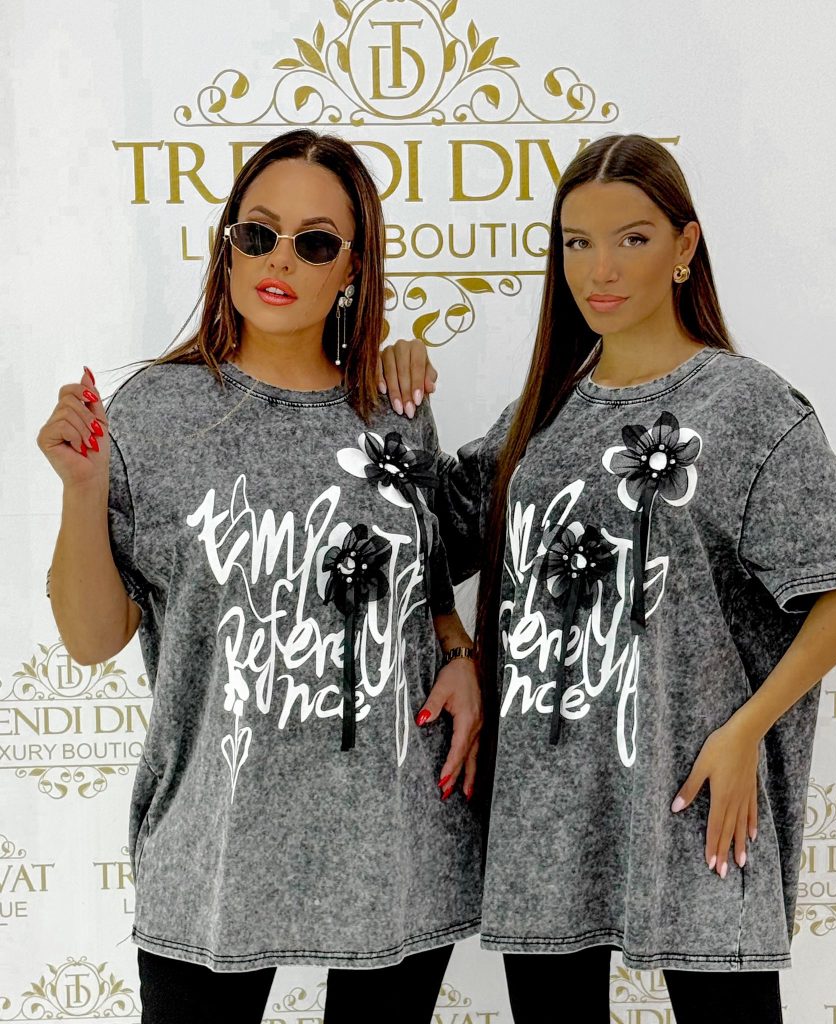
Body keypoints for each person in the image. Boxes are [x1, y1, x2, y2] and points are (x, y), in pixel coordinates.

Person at [379, 133, 836, 1023]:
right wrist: (395, 387)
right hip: (545, 807)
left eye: (633, 238)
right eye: (577, 242)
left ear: (685, 246)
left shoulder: (743, 404)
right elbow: (419, 538)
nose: (601, 269)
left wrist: (746, 730)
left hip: (694, 786)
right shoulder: (540, 413)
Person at [36, 129, 484, 1024]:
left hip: (393, 837)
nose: (280, 259)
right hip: (212, 840)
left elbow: (424, 589)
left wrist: (461, 653)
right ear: (228, 245)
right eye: (258, 233)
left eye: (315, 243)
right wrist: (83, 489)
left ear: (353, 268)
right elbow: (91, 639)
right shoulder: (155, 412)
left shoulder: (395, 415)